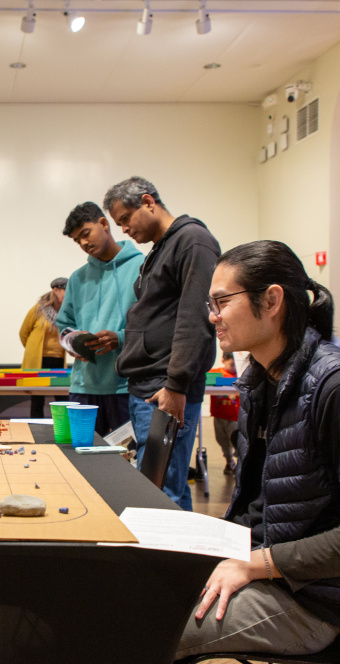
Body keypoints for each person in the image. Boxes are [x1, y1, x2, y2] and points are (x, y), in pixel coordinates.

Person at [163, 241, 340, 664]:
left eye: (221, 302)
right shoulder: (262, 382)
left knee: (140, 634)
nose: (213, 317)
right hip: (267, 571)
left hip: (313, 600)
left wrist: (256, 564)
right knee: (126, 597)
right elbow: (260, 506)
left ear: (271, 302)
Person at [104, 176, 220, 511]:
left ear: (148, 202)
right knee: (164, 488)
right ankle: (182, 562)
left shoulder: (193, 241)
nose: (124, 229)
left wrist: (176, 384)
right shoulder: (164, 248)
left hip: (164, 387)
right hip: (150, 385)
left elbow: (194, 320)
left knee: (160, 493)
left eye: (125, 218)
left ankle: (166, 564)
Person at [56, 202, 144, 435]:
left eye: (85, 234)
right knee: (80, 461)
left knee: (127, 463)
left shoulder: (142, 267)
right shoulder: (77, 278)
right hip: (84, 385)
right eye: (77, 240)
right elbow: (64, 324)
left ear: (104, 224)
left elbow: (155, 323)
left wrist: (122, 338)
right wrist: (71, 343)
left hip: (126, 386)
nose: (83, 243)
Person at [20, 278, 68, 418]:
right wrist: (31, 350)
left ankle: (64, 430)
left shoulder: (67, 312)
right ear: (55, 290)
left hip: (58, 360)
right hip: (38, 361)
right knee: (37, 399)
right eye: (66, 291)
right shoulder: (37, 310)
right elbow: (23, 333)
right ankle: (36, 431)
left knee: (62, 399)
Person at [209, 352, 240, 475]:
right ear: (223, 360)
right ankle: (229, 461)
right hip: (219, 415)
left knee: (235, 440)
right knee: (221, 440)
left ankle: (239, 463)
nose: (234, 367)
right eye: (231, 364)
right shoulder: (216, 373)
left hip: (233, 417)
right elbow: (208, 379)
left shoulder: (239, 375)